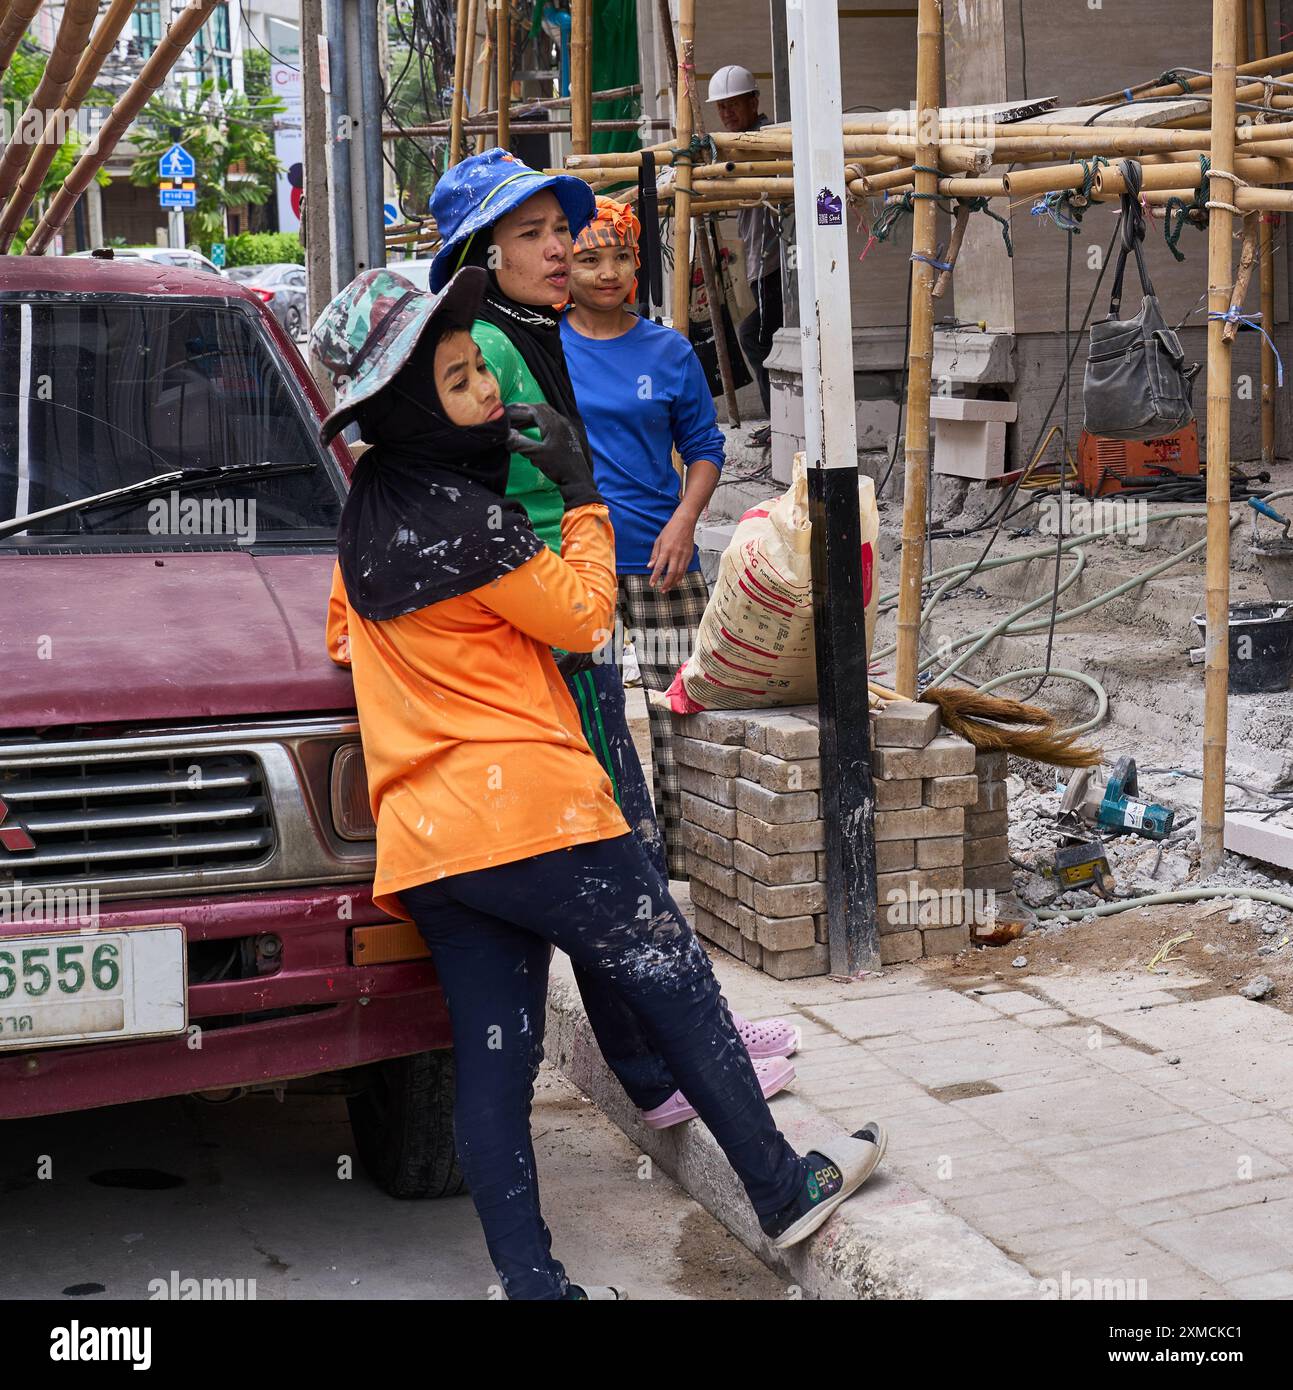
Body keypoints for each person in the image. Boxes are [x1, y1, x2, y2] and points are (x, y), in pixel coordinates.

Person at [313, 264, 887, 1300]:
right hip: (540, 814)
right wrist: (580, 494)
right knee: (675, 982)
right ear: (406, 410)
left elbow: (345, 644)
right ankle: (780, 1183)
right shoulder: (477, 526)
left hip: (435, 846)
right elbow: (584, 617)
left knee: (496, 1064)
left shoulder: (362, 521)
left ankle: (534, 1285)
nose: (487, 391)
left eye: (473, 369)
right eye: (456, 383)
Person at [427, 150, 802, 1131]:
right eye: (537, 234)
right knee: (607, 852)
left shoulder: (538, 341)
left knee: (626, 839)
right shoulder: (483, 352)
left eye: (569, 232)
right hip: (550, 638)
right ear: (481, 251)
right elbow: (497, 518)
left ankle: (693, 1036)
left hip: (582, 618)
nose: (566, 252)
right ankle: (664, 1067)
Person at [560, 195, 719, 883]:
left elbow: (704, 446)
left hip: (660, 559)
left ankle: (694, 859)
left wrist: (684, 520)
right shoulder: (541, 346)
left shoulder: (668, 349)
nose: (606, 271)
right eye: (588, 257)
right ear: (562, 264)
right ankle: (604, 860)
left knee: (682, 705)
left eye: (619, 256)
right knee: (584, 712)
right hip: (572, 568)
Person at [708, 63, 784, 448]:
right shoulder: (734, 145)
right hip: (759, 266)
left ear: (754, 100)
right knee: (763, 339)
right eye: (721, 108)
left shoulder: (766, 139)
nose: (727, 114)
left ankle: (781, 421)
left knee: (757, 339)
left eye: (733, 105)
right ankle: (781, 420)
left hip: (777, 266)